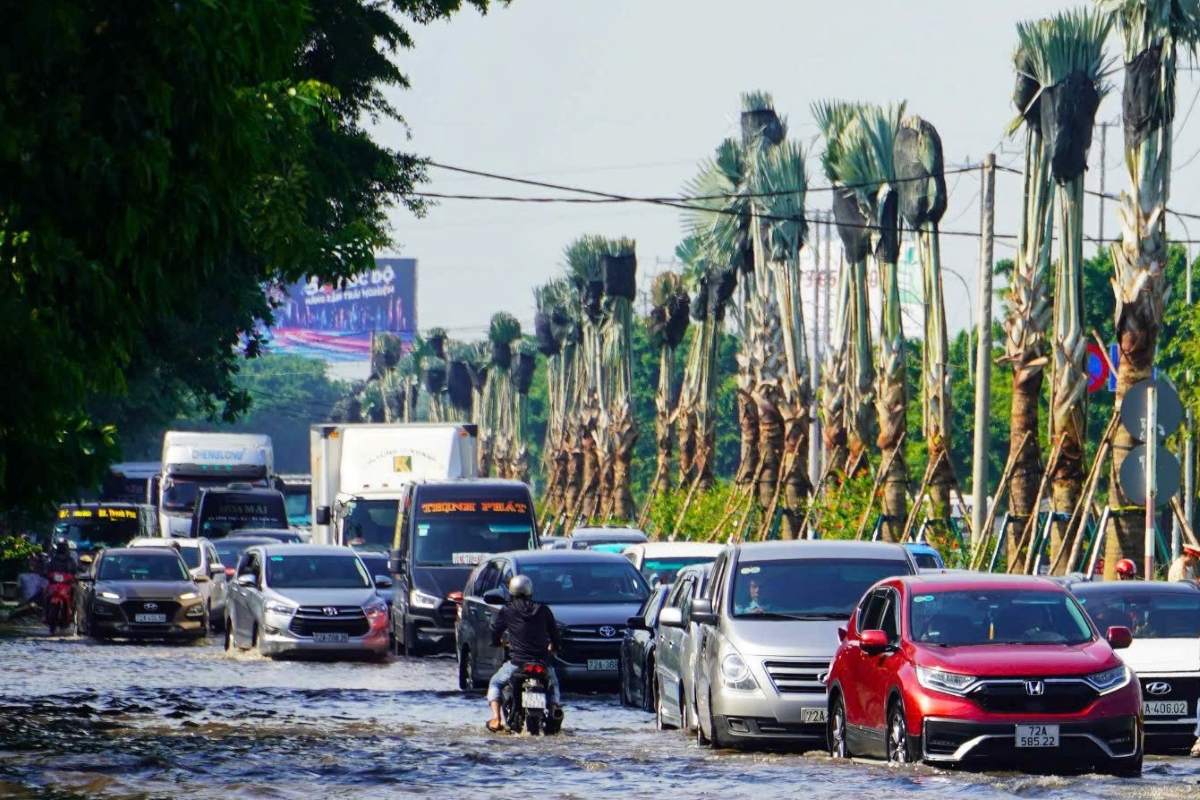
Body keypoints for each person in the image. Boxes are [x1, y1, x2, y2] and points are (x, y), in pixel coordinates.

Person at [485, 574, 562, 732]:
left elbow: (495, 630)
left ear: (511, 591)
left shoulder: (507, 610)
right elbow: (555, 635)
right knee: (553, 684)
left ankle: (496, 719)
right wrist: (553, 647)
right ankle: (554, 707)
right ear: (530, 590)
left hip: (517, 663)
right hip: (542, 663)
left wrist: (497, 642)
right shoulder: (543, 609)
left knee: (495, 683)